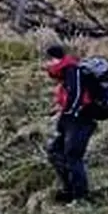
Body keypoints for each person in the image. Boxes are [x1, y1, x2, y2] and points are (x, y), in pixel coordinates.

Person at [44, 44, 97, 204]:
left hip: (79, 120)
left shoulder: (72, 70)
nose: (45, 65)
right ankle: (69, 190)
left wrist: (68, 114)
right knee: (55, 152)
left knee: (73, 156)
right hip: (72, 120)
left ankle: (80, 196)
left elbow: (76, 96)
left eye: (47, 61)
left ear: (53, 59)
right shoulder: (67, 73)